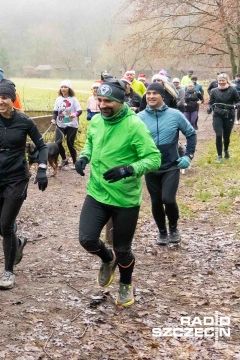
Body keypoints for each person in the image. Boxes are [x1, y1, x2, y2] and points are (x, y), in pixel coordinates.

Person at [73, 79, 160, 307]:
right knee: (87, 239)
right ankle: (106, 258)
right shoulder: (97, 121)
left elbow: (154, 159)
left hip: (124, 199)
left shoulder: (135, 125)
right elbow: (91, 142)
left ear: (120, 101)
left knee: (123, 249)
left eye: (108, 101)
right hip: (97, 192)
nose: (102, 105)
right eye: (99, 100)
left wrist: (129, 169)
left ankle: (126, 283)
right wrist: (84, 156)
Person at [0, 78, 49, 290]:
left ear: (12, 99)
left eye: (4, 97)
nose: (0, 102)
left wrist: (42, 169)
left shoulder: (24, 121)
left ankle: (8, 272)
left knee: (6, 224)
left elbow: (42, 146)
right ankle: (16, 243)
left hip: (17, 177)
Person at [138, 83, 197, 245]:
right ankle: (162, 232)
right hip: (150, 166)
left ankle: (173, 228)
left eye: (154, 93)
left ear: (162, 96)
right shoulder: (139, 118)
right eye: (148, 93)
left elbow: (191, 134)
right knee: (156, 201)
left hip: (171, 164)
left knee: (168, 199)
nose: (150, 96)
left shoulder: (175, 115)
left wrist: (188, 156)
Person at [207, 73, 240, 162]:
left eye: (223, 80)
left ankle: (226, 149)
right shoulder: (214, 91)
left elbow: (238, 102)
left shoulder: (233, 90)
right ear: (217, 81)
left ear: (227, 80)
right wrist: (209, 108)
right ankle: (219, 156)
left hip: (229, 115)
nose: (221, 82)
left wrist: (235, 106)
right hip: (217, 115)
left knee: (226, 136)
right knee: (218, 135)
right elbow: (211, 102)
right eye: (220, 80)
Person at [52, 80, 82, 169]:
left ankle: (75, 162)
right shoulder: (58, 99)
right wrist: (53, 119)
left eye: (65, 87)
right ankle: (64, 160)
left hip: (71, 124)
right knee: (57, 143)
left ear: (69, 89)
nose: (63, 89)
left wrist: (75, 114)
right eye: (62, 87)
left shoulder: (73, 99)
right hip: (60, 124)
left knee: (70, 143)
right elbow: (55, 111)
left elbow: (79, 110)